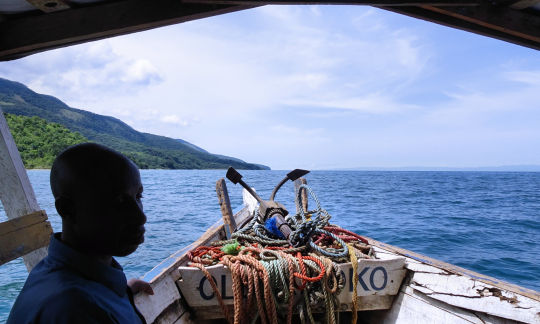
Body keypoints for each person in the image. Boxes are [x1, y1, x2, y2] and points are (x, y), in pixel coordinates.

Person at [7, 143, 154, 324]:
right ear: (68, 210)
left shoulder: (53, 272)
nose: (140, 217)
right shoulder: (77, 309)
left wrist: (123, 292)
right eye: (118, 202)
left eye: (138, 197)